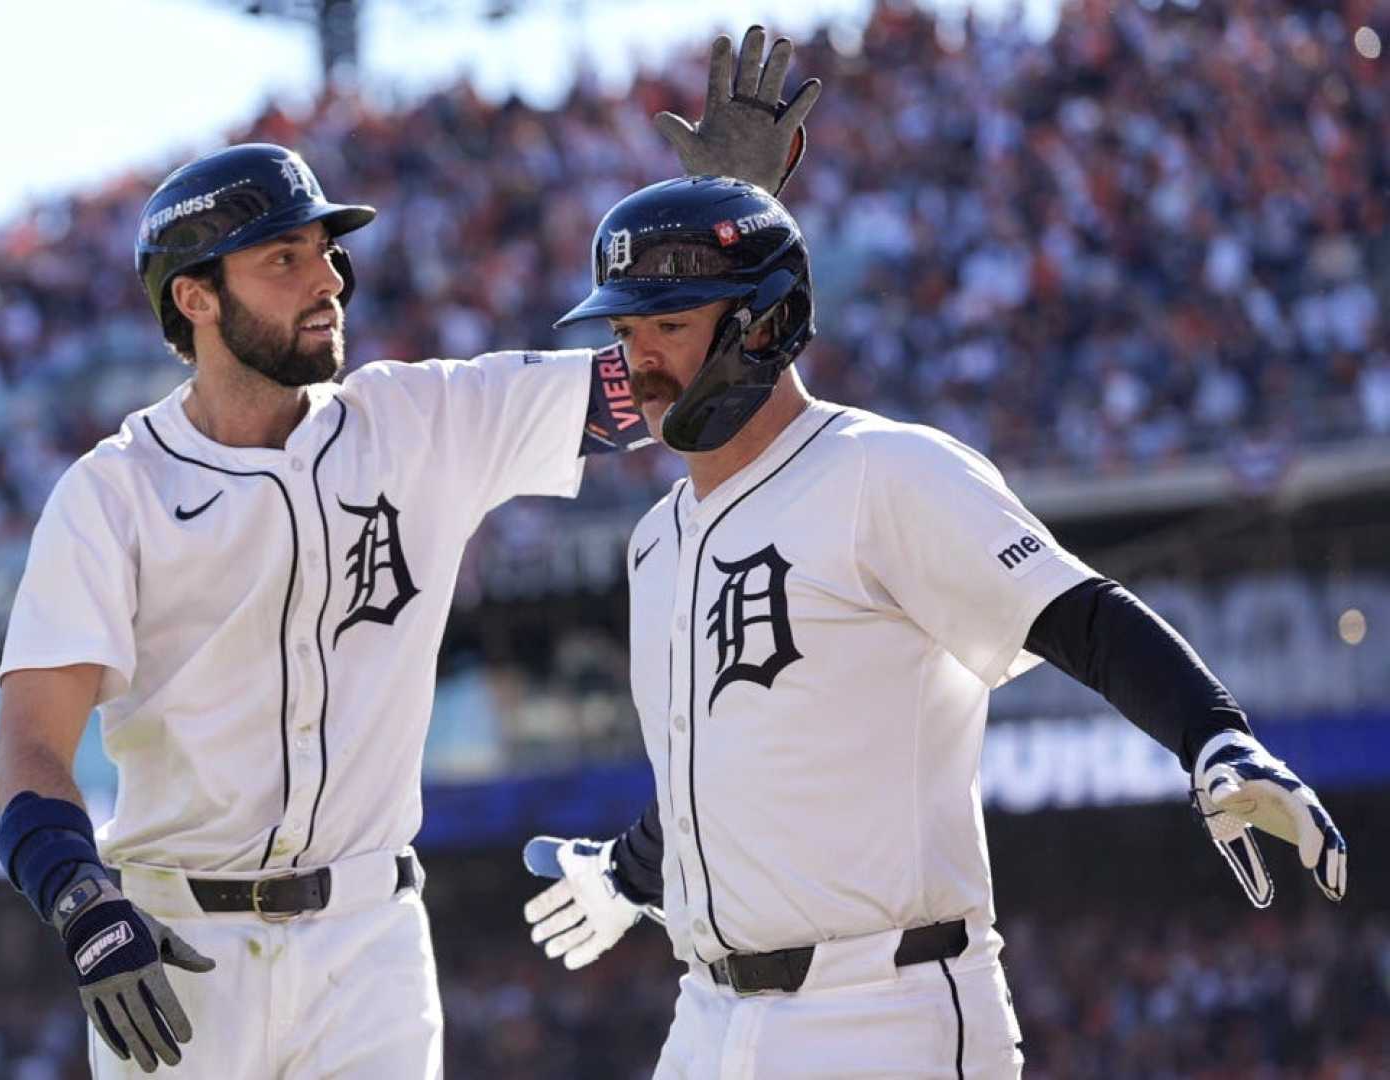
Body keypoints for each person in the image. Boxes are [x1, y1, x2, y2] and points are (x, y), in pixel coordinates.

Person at [0, 28, 820, 1078]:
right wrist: (81, 903)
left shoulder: (418, 418)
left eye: (328, 250)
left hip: (369, 938)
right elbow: (30, 747)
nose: (326, 276)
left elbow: (652, 389)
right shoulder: (111, 495)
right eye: (283, 257)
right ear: (193, 298)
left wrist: (719, 238)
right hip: (181, 943)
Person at [521, 176, 1348, 1079]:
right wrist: (629, 874)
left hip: (884, 1010)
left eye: (668, 327)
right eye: (624, 332)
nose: (637, 360)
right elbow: (723, 774)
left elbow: (1078, 615)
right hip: (706, 1018)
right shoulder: (654, 543)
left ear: (764, 323)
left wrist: (1214, 736)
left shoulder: (883, 469)